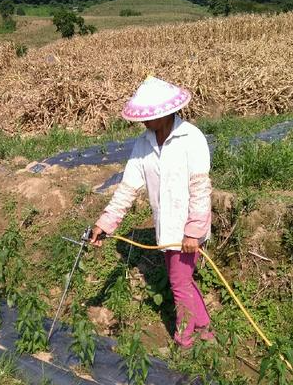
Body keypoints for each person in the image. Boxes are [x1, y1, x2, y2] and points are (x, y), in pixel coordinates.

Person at [89, 76, 213, 349]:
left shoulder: (191, 138)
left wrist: (193, 231)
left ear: (166, 113)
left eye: (150, 116)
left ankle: (185, 340)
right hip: (166, 226)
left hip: (188, 226)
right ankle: (204, 329)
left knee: (179, 283)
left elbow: (200, 188)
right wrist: (105, 223)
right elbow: (128, 188)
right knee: (182, 281)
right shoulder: (143, 144)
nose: (145, 122)